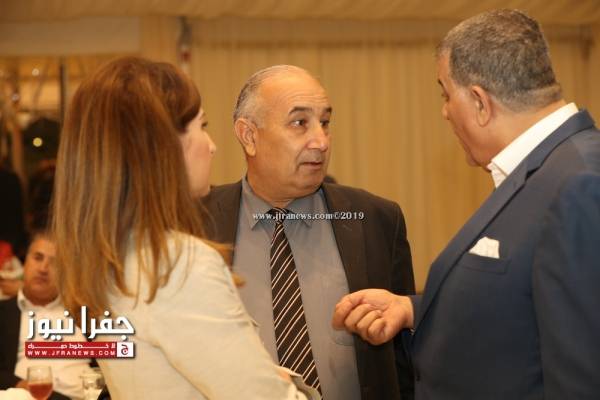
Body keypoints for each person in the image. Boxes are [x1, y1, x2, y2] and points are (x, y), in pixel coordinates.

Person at [333, 9, 600, 399]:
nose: (444, 111)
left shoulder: (580, 185)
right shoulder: (545, 170)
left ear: (479, 102)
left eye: (445, 94)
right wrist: (412, 309)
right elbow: (527, 301)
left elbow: (583, 374)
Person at [51, 57, 317, 399]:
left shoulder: (111, 256)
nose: (212, 145)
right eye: (201, 126)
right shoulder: (175, 264)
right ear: (163, 147)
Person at [201, 65, 415, 400]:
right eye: (300, 123)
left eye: (325, 122)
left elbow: (403, 359)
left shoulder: (375, 219)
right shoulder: (194, 224)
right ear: (249, 136)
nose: (321, 141)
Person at [0, 232, 94, 399]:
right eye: (38, 258)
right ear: (25, 263)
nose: (43, 269)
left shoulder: (83, 312)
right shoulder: (4, 313)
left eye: (55, 263)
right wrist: (21, 385)